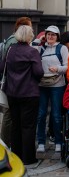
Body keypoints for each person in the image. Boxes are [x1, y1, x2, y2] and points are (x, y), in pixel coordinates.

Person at [0, 25, 44, 164]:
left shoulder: (10, 50)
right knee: (28, 126)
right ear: (29, 36)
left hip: (12, 92)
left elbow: (2, 68)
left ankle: (16, 156)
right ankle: (28, 158)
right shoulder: (32, 52)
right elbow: (39, 72)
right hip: (29, 93)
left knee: (16, 125)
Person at [0, 17, 33, 147]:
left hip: (11, 83)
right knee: (9, 115)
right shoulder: (14, 42)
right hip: (13, 84)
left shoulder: (11, 40)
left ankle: (8, 143)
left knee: (11, 114)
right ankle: (5, 144)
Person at [36, 26, 69, 153]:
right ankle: (41, 142)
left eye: (53, 35)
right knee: (41, 114)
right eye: (48, 34)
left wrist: (58, 69)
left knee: (56, 115)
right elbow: (32, 54)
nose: (50, 37)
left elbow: (67, 66)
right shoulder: (40, 48)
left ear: (57, 36)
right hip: (42, 85)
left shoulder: (62, 48)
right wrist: (39, 41)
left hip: (57, 85)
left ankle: (58, 141)